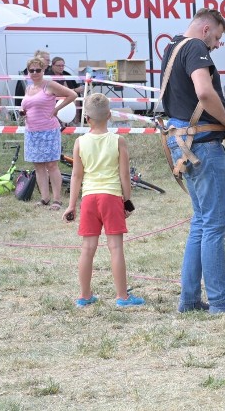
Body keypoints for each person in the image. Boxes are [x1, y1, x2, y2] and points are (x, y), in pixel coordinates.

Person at [161, 8, 225, 316]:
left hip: (185, 144)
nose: (216, 45)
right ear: (205, 29)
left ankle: (190, 300)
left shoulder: (173, 47)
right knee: (214, 224)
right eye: (216, 37)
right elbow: (204, 91)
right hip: (202, 145)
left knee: (201, 223)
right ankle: (220, 301)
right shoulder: (195, 47)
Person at [62, 93, 144, 308]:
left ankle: (84, 295)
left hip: (89, 198)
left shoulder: (80, 142)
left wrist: (71, 204)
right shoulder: (118, 141)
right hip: (111, 197)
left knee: (87, 248)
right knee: (115, 248)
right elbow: (124, 175)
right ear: (109, 115)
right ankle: (122, 297)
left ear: (86, 117)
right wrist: (127, 201)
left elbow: (77, 176)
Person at [21, 56, 78, 210]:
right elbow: (30, 106)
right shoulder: (28, 88)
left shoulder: (49, 85)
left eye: (37, 70)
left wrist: (56, 110)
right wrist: (24, 112)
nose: (34, 73)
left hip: (48, 131)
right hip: (32, 131)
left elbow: (72, 95)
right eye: (31, 70)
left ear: (44, 70)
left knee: (52, 165)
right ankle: (44, 198)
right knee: (38, 166)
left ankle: (57, 200)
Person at [50, 56, 84, 124]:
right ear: (53, 66)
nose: (61, 67)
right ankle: (70, 122)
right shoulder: (49, 76)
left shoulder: (62, 75)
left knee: (76, 98)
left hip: (61, 97)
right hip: (54, 98)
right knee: (74, 97)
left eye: (63, 65)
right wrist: (75, 90)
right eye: (58, 65)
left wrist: (75, 90)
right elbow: (57, 91)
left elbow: (66, 89)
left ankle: (75, 122)